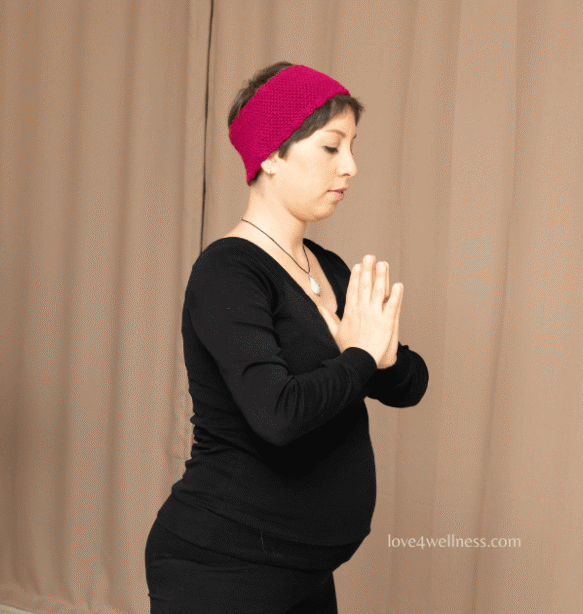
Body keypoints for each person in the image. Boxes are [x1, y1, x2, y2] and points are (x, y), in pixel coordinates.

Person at [145, 63, 429, 613]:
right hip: (223, 566)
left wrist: (381, 357)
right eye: (331, 147)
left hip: (301, 571)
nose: (350, 166)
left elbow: (409, 384)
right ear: (271, 155)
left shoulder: (327, 266)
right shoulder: (228, 272)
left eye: (353, 147)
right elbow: (278, 415)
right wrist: (360, 354)